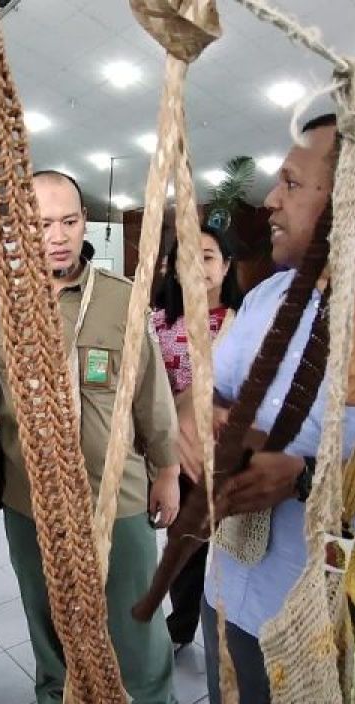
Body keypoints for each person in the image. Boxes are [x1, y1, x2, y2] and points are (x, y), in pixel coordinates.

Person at [184, 115, 355, 704]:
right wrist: (203, 426)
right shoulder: (265, 298)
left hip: (335, 621)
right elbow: (208, 393)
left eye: (290, 183)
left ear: (352, 200)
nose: (270, 202)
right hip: (230, 596)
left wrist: (308, 478)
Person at [0, 170, 183, 704]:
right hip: (30, 495)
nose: (55, 236)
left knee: (133, 608)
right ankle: (56, 701)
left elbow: (150, 396)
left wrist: (166, 470)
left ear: (86, 222)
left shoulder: (121, 297)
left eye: (68, 220)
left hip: (120, 494)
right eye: (39, 224)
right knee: (46, 606)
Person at [150, 224, 245, 650]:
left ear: (226, 266)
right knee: (184, 546)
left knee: (234, 548)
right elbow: (140, 392)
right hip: (173, 457)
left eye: (207, 256)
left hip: (230, 458)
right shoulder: (155, 324)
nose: (197, 265)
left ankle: (235, 632)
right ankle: (183, 623)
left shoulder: (246, 324)